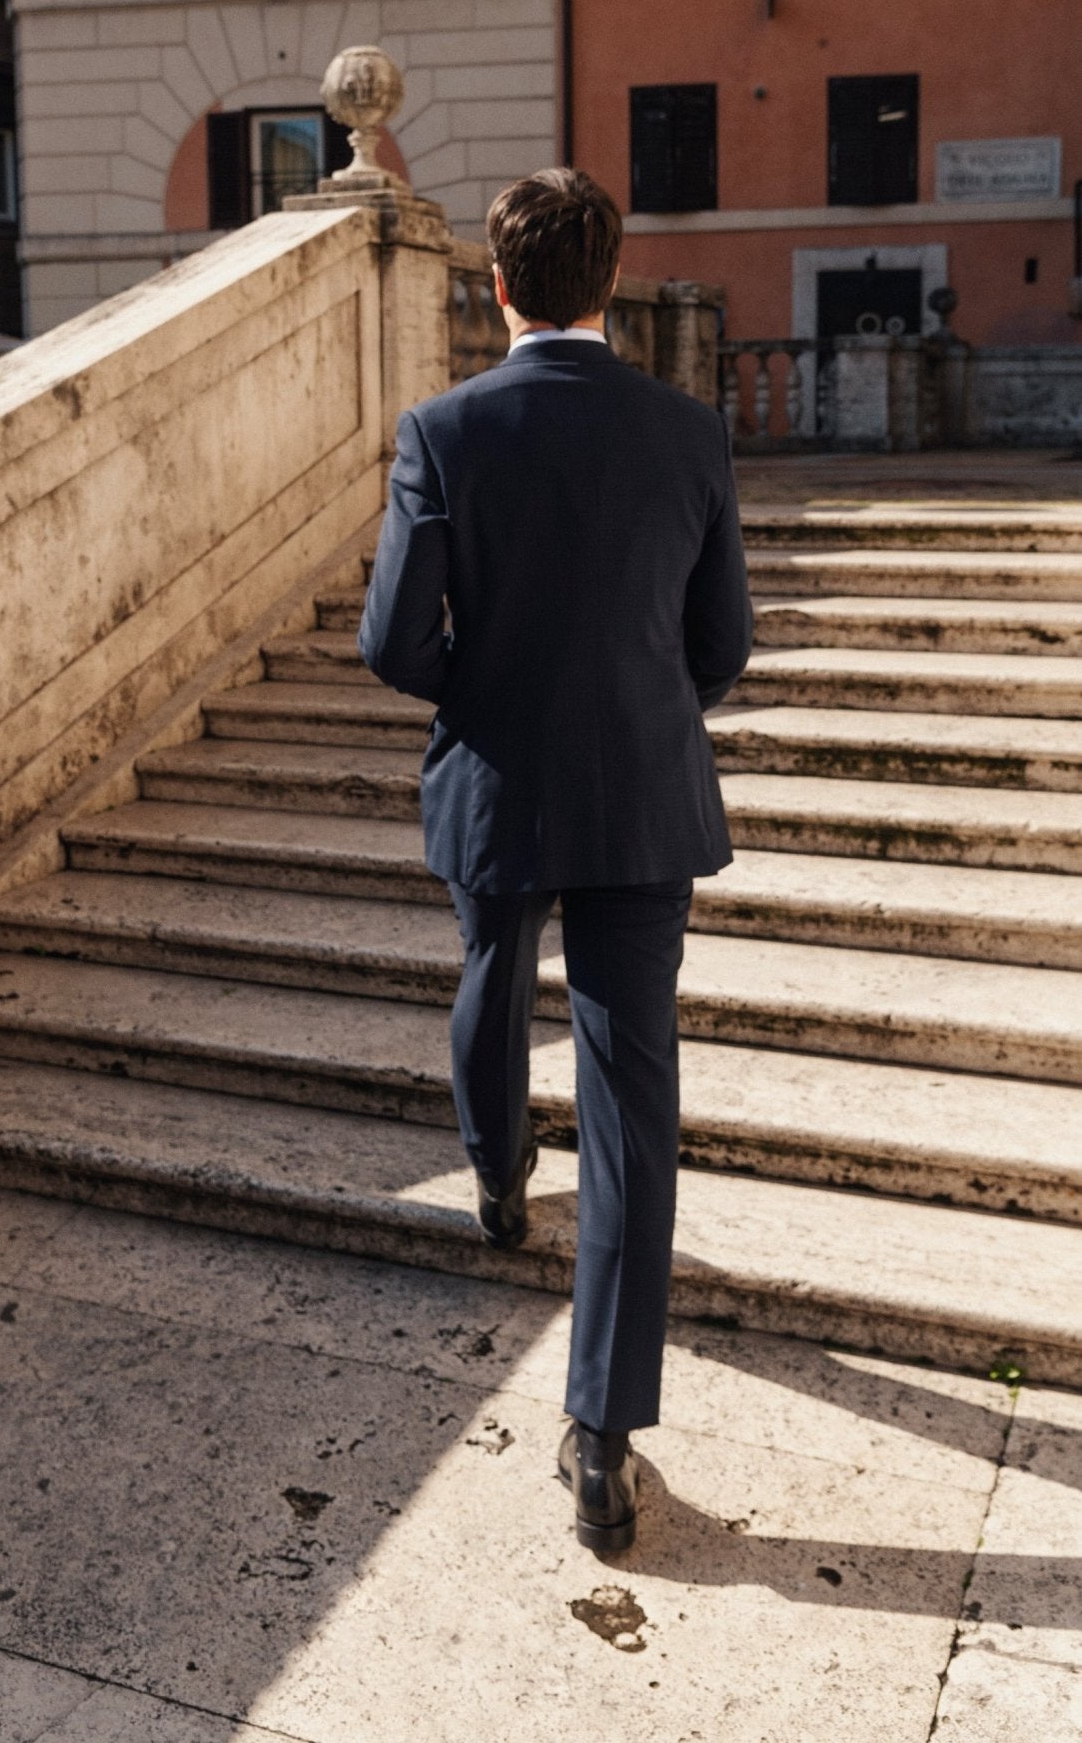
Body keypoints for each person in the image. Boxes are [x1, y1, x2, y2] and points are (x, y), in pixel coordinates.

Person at [358, 168, 752, 1555]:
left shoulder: (445, 429)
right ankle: (602, 1435)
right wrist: (636, 702)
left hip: (501, 773)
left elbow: (395, 644)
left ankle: (495, 1176)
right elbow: (724, 649)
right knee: (634, 1092)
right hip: (644, 791)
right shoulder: (691, 432)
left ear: (499, 283)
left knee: (488, 960)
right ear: (611, 278)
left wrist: (498, 682)